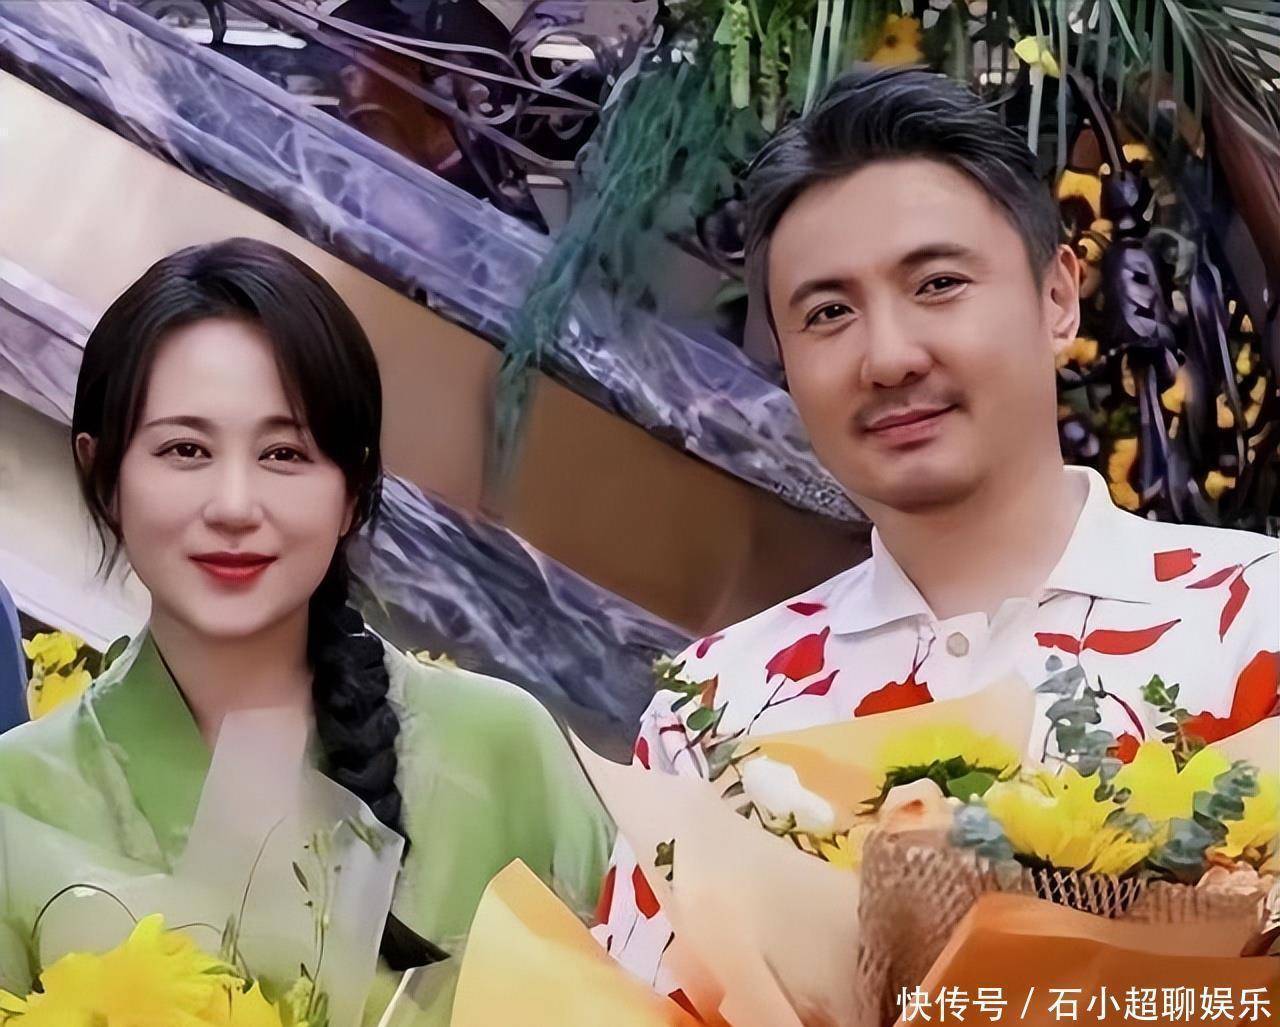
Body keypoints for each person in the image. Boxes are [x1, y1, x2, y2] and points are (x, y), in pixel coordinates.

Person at [595, 66, 1278, 992]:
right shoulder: (715, 714)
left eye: (939, 283)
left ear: (1057, 296)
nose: (888, 356)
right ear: (785, 359)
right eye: (828, 313)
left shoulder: (1254, 622)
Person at [0, 238, 612, 1022]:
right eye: (185, 449)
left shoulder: (502, 749)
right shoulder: (17, 799)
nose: (233, 504)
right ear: (103, 474)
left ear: (353, 487)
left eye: (284, 452)